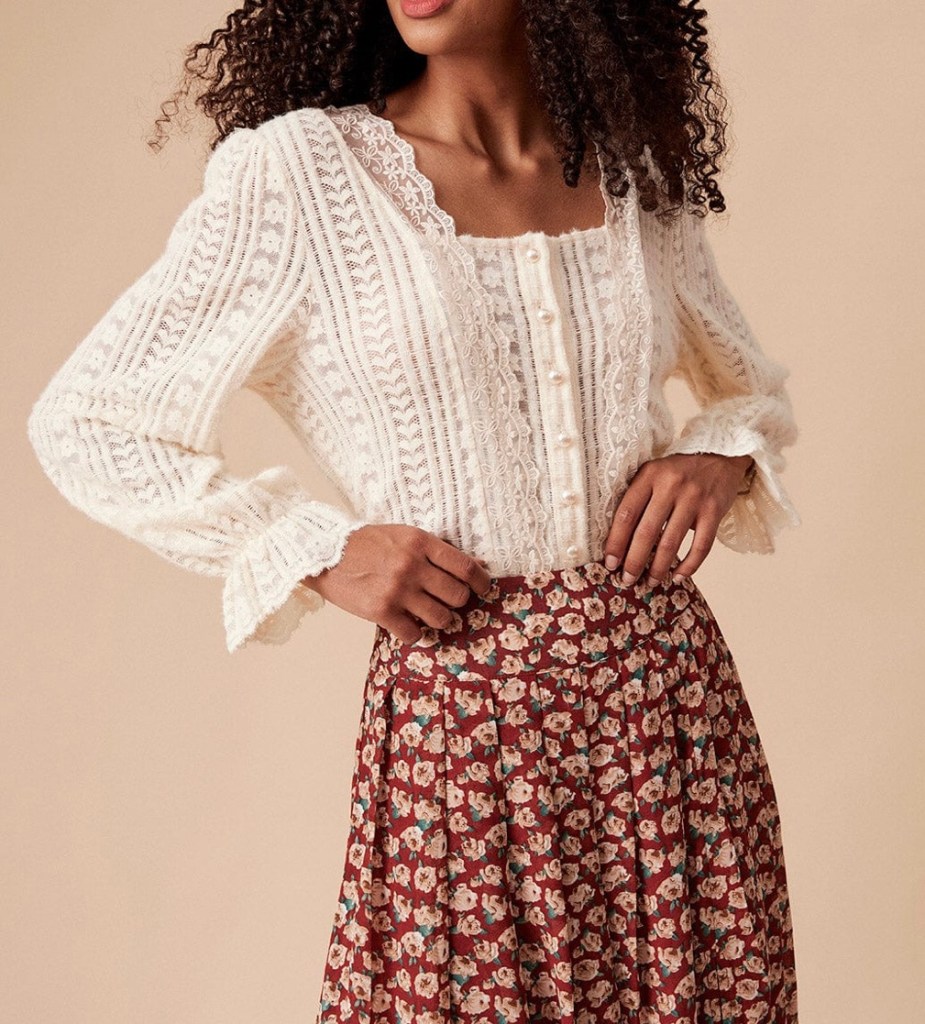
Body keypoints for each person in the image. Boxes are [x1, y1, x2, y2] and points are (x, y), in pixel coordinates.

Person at [26, 0, 802, 1021]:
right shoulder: (301, 176)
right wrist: (309, 547)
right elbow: (88, 420)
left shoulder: (632, 171)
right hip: (464, 724)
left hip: (669, 719)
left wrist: (718, 455)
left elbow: (750, 392)